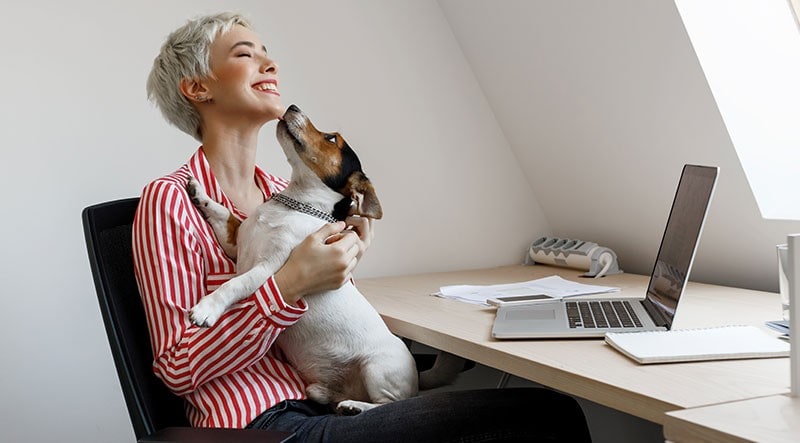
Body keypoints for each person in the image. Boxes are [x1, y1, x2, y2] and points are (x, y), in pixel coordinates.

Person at [133, 11, 593, 442]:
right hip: (264, 423)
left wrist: (346, 259)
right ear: (197, 89)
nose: (270, 62)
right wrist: (289, 284)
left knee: (543, 409)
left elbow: (326, 314)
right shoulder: (170, 201)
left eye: (266, 51)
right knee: (550, 415)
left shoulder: (283, 191)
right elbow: (178, 368)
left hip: (332, 400)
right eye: (244, 54)